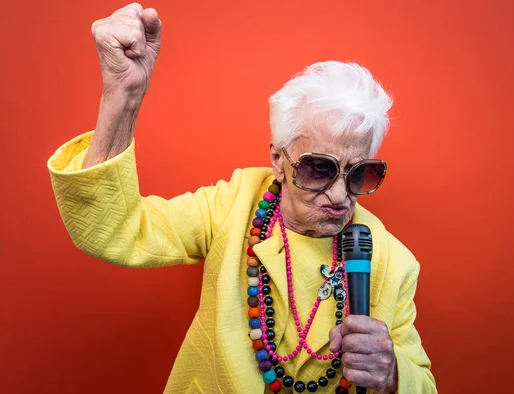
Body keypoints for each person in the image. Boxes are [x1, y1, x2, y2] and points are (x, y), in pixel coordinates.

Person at [47, 3, 437, 394]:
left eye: (359, 174)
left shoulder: (394, 264)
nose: (339, 195)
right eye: (318, 168)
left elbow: (424, 383)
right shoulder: (232, 206)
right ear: (278, 160)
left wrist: (393, 375)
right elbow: (115, 231)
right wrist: (123, 96)